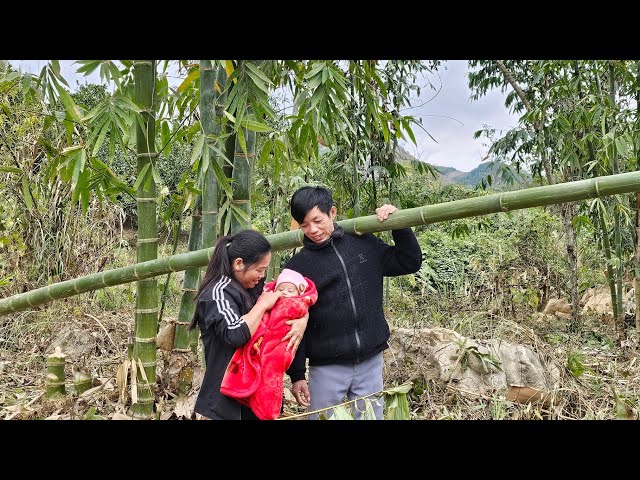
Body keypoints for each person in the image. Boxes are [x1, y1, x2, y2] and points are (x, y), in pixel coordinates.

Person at [284, 186, 422, 419]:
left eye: (317, 221)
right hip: (326, 366)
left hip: (370, 361)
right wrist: (297, 375)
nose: (313, 230)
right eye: (305, 225)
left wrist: (399, 224)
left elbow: (408, 262)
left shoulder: (363, 242)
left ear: (333, 213)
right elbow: (293, 324)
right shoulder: (298, 267)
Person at [189, 230, 309, 420]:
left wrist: (303, 320)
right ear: (238, 264)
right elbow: (234, 333)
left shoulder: (252, 287)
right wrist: (262, 305)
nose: (262, 276)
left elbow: (287, 309)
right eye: (259, 270)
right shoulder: (217, 293)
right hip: (227, 399)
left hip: (256, 392)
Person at [220, 268, 318, 419]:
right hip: (255, 348)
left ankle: (266, 407)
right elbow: (238, 333)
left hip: (277, 352)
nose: (284, 293)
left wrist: (303, 318)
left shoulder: (262, 285)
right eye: (281, 289)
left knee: (270, 378)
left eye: (264, 269)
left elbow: (302, 305)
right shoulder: (223, 291)